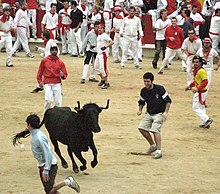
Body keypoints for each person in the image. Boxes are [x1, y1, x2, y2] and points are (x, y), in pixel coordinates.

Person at [25, 114, 80, 193]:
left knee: (49, 190)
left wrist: (46, 170)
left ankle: (68, 181)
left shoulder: (38, 137)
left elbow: (48, 154)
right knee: (51, 191)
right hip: (46, 164)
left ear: (29, 125)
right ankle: (68, 181)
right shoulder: (37, 134)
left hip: (48, 165)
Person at [137, 72, 172, 159]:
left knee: (155, 130)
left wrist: (166, 112)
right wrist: (140, 110)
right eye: (144, 81)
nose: (146, 83)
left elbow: (168, 100)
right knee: (141, 128)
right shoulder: (143, 91)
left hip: (159, 113)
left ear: (152, 81)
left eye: (148, 81)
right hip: (149, 113)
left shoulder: (160, 89)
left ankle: (159, 151)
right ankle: (153, 145)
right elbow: (141, 101)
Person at [37, 44, 68, 111]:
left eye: (55, 50)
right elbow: (40, 72)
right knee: (48, 100)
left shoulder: (60, 62)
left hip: (57, 83)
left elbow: (65, 74)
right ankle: (46, 114)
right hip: (47, 82)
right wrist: (40, 81)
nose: (54, 52)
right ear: (50, 51)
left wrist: (62, 75)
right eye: (53, 50)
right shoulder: (44, 61)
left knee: (58, 102)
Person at [185, 55, 213, 128]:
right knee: (201, 107)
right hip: (202, 91)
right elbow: (196, 81)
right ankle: (205, 122)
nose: (195, 63)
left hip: (200, 91)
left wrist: (197, 89)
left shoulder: (201, 71)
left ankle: (207, 119)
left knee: (195, 107)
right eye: (194, 62)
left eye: (197, 62)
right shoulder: (197, 70)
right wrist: (190, 86)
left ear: (200, 62)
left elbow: (205, 82)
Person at [94, 24, 114, 89]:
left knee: (103, 69)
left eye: (101, 28)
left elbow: (111, 42)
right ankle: (103, 79)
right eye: (98, 28)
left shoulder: (105, 35)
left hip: (103, 54)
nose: (99, 29)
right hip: (98, 53)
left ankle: (106, 83)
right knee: (96, 68)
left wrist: (105, 47)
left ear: (103, 29)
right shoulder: (99, 36)